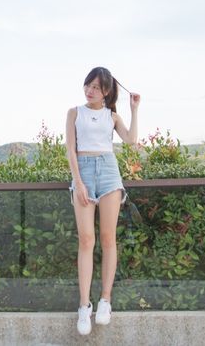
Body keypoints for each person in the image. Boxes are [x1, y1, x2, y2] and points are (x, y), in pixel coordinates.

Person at [65, 66, 140, 335]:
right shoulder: (74, 112)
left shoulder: (112, 116)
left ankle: (105, 300)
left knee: (108, 239)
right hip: (83, 170)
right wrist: (79, 182)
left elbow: (131, 142)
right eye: (87, 85)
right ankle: (84, 306)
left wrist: (134, 110)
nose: (89, 90)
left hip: (109, 170)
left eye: (95, 87)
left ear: (106, 91)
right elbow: (70, 151)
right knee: (87, 239)